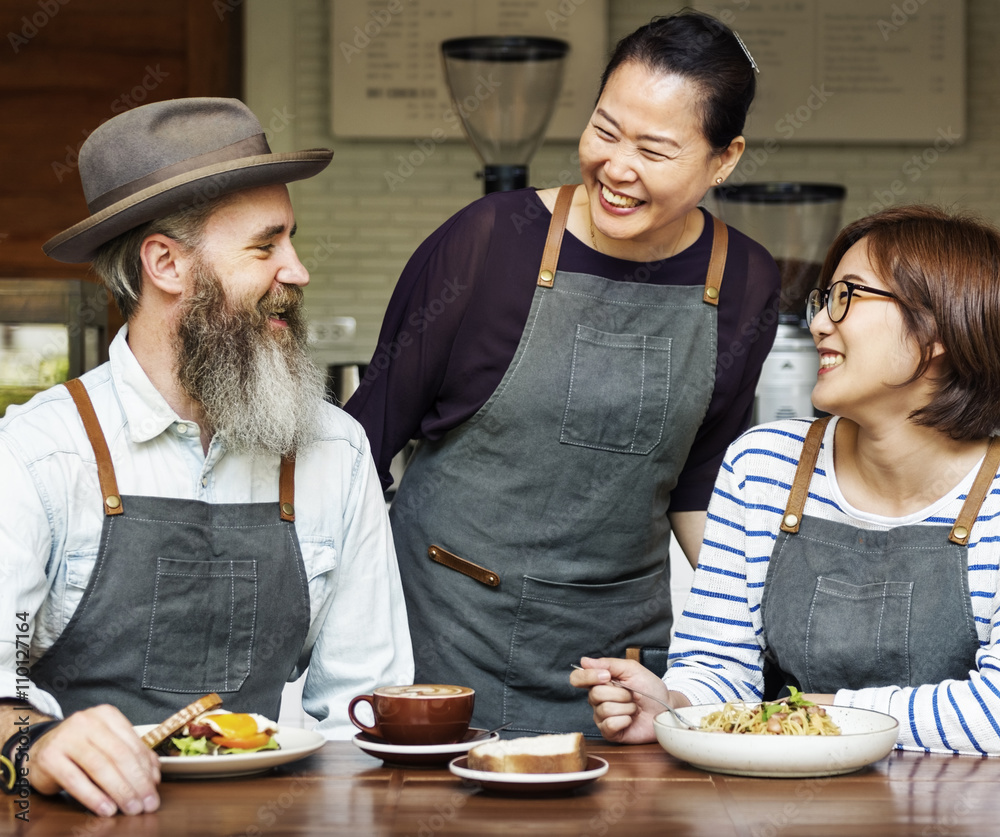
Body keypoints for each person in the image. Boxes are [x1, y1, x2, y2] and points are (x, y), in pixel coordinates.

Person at [345, 11, 780, 735]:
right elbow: (361, 442)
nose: (617, 167)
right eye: (605, 131)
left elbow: (699, 480)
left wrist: (755, 639)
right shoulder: (489, 243)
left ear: (724, 159)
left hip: (618, 667)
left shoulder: (742, 281)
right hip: (443, 638)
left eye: (655, 149)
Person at [0, 98, 413, 817]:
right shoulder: (38, 452)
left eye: (292, 241)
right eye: (266, 246)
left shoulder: (334, 450)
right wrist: (33, 742)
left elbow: (363, 713)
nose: (299, 269)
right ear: (167, 264)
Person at [572, 204, 1000, 755]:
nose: (819, 321)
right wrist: (674, 708)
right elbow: (721, 668)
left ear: (941, 324)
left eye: (849, 296)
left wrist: (809, 713)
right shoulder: (763, 466)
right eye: (825, 300)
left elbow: (993, 713)